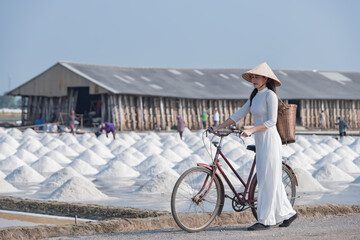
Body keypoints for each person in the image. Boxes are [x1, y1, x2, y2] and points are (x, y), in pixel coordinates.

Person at [211, 62, 297, 231]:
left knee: (267, 180)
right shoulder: (254, 96)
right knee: (271, 179)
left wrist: (251, 130)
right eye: (252, 77)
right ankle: (289, 213)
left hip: (270, 140)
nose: (254, 80)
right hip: (260, 140)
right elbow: (238, 114)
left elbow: (271, 121)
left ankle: (265, 220)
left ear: (266, 78)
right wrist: (217, 127)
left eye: (257, 77)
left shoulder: (269, 96)